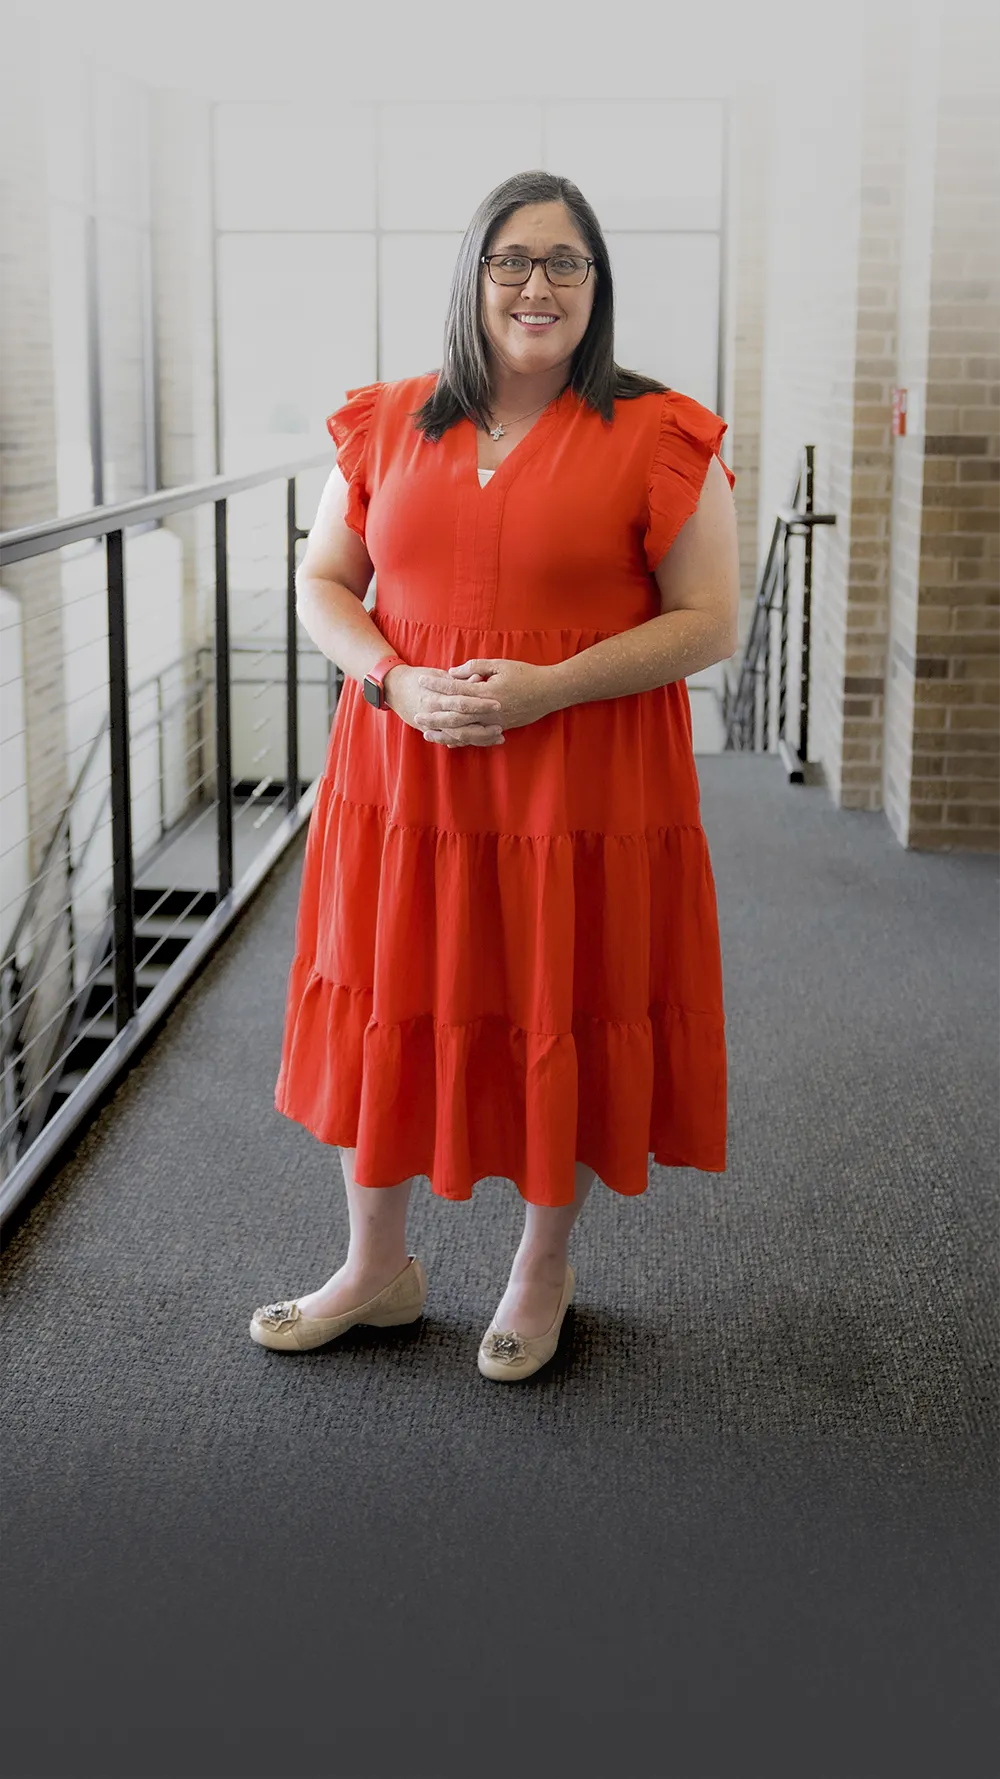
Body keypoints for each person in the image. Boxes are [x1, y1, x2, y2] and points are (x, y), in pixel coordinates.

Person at [252, 169, 739, 1381]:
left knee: (557, 1005)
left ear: (596, 285)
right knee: (385, 1000)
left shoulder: (663, 431)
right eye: (512, 259)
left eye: (564, 262)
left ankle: (542, 1269)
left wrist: (548, 687)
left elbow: (709, 622)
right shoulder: (389, 421)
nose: (537, 284)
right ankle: (376, 1270)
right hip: (402, 787)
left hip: (578, 790)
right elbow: (323, 586)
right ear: (472, 275)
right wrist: (392, 683)